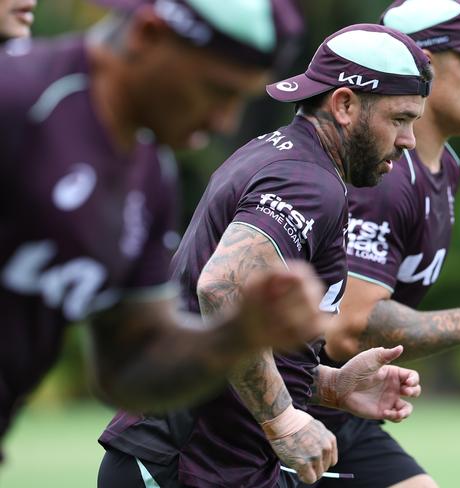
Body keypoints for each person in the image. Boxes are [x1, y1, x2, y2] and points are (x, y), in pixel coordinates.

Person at [97, 23, 433, 488]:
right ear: (345, 104)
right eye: (399, 119)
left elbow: (231, 337)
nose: (409, 140)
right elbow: (221, 289)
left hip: (215, 467)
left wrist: (331, 386)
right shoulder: (307, 182)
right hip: (182, 467)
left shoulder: (285, 157)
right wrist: (284, 422)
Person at [0, 0, 326, 453]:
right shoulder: (17, 99)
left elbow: (129, 370)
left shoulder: (150, 175)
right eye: (216, 90)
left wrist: (237, 334)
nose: (223, 121)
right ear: (147, 35)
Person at [303, 1, 460, 487]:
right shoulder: (382, 177)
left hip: (344, 413)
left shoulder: (444, 167)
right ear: (420, 67)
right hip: (287, 410)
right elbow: (347, 330)